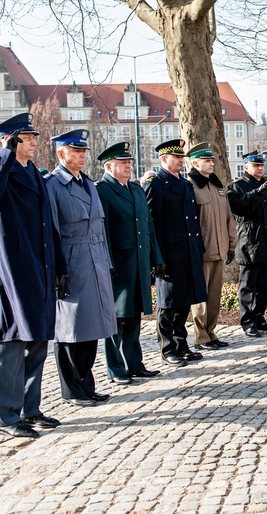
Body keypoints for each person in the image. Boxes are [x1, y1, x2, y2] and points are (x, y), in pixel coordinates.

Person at [0, 112, 63, 438]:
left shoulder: (35, 174)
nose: (35, 143)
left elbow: (47, 224)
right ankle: (7, 416)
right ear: (11, 141)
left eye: (34, 138)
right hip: (11, 270)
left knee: (37, 339)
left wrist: (59, 266)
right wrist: (4, 155)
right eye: (28, 138)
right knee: (12, 339)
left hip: (40, 267)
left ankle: (31, 408)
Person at [46, 129, 117, 406]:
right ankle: (71, 388)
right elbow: (51, 231)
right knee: (69, 329)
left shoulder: (88, 183)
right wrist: (56, 271)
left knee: (92, 326)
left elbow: (100, 226)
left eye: (83, 151)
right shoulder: (52, 186)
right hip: (71, 261)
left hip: (95, 259)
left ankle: (87, 383)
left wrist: (106, 261)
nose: (82, 156)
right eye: (76, 151)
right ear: (61, 153)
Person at [95, 141, 163, 383]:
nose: (127, 166)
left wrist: (156, 256)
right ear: (109, 166)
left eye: (129, 163)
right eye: (123, 163)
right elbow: (101, 232)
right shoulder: (102, 190)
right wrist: (107, 264)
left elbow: (148, 226)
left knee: (134, 315)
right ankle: (116, 368)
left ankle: (135, 363)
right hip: (118, 265)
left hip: (139, 261)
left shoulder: (135, 190)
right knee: (116, 317)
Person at [144, 139, 207, 365]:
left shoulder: (186, 184)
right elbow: (151, 224)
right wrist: (156, 257)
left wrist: (198, 247)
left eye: (182, 158)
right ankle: (167, 347)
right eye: (176, 158)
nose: (181, 161)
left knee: (185, 300)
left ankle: (182, 343)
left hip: (188, 251)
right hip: (168, 253)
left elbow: (193, 220)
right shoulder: (156, 184)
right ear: (164, 159)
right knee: (168, 303)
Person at [187, 142, 237, 350]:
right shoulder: (190, 186)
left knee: (215, 295)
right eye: (207, 161)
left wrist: (231, 245)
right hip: (203, 250)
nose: (211, 164)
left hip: (219, 248)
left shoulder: (218, 187)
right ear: (195, 163)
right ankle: (200, 336)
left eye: (212, 160)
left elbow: (229, 218)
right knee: (200, 297)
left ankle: (211, 331)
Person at [228, 151, 267, 337]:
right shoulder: (237, 187)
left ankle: (259, 317)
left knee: (264, 284)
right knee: (248, 285)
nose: (260, 169)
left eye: (261, 166)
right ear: (246, 167)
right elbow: (237, 208)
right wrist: (254, 194)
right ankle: (247, 321)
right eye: (256, 165)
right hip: (249, 241)